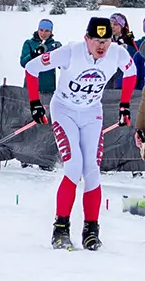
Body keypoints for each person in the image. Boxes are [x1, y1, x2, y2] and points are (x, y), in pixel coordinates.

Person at [29, 17, 133, 250]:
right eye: (96, 40)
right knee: (74, 166)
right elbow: (32, 68)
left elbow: (131, 72)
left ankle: (91, 230)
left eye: (106, 40)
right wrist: (35, 103)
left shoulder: (116, 53)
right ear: (86, 39)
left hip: (91, 114)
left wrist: (124, 105)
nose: (101, 46)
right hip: (64, 110)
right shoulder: (70, 52)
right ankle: (61, 227)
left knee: (92, 171)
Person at [21, 19, 62, 98]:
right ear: (38, 30)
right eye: (41, 30)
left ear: (51, 32)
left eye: (47, 31)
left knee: (46, 110)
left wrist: (60, 53)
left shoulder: (54, 45)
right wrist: (35, 53)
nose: (43, 33)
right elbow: (23, 63)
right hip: (30, 87)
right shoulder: (29, 43)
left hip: (48, 89)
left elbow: (61, 66)